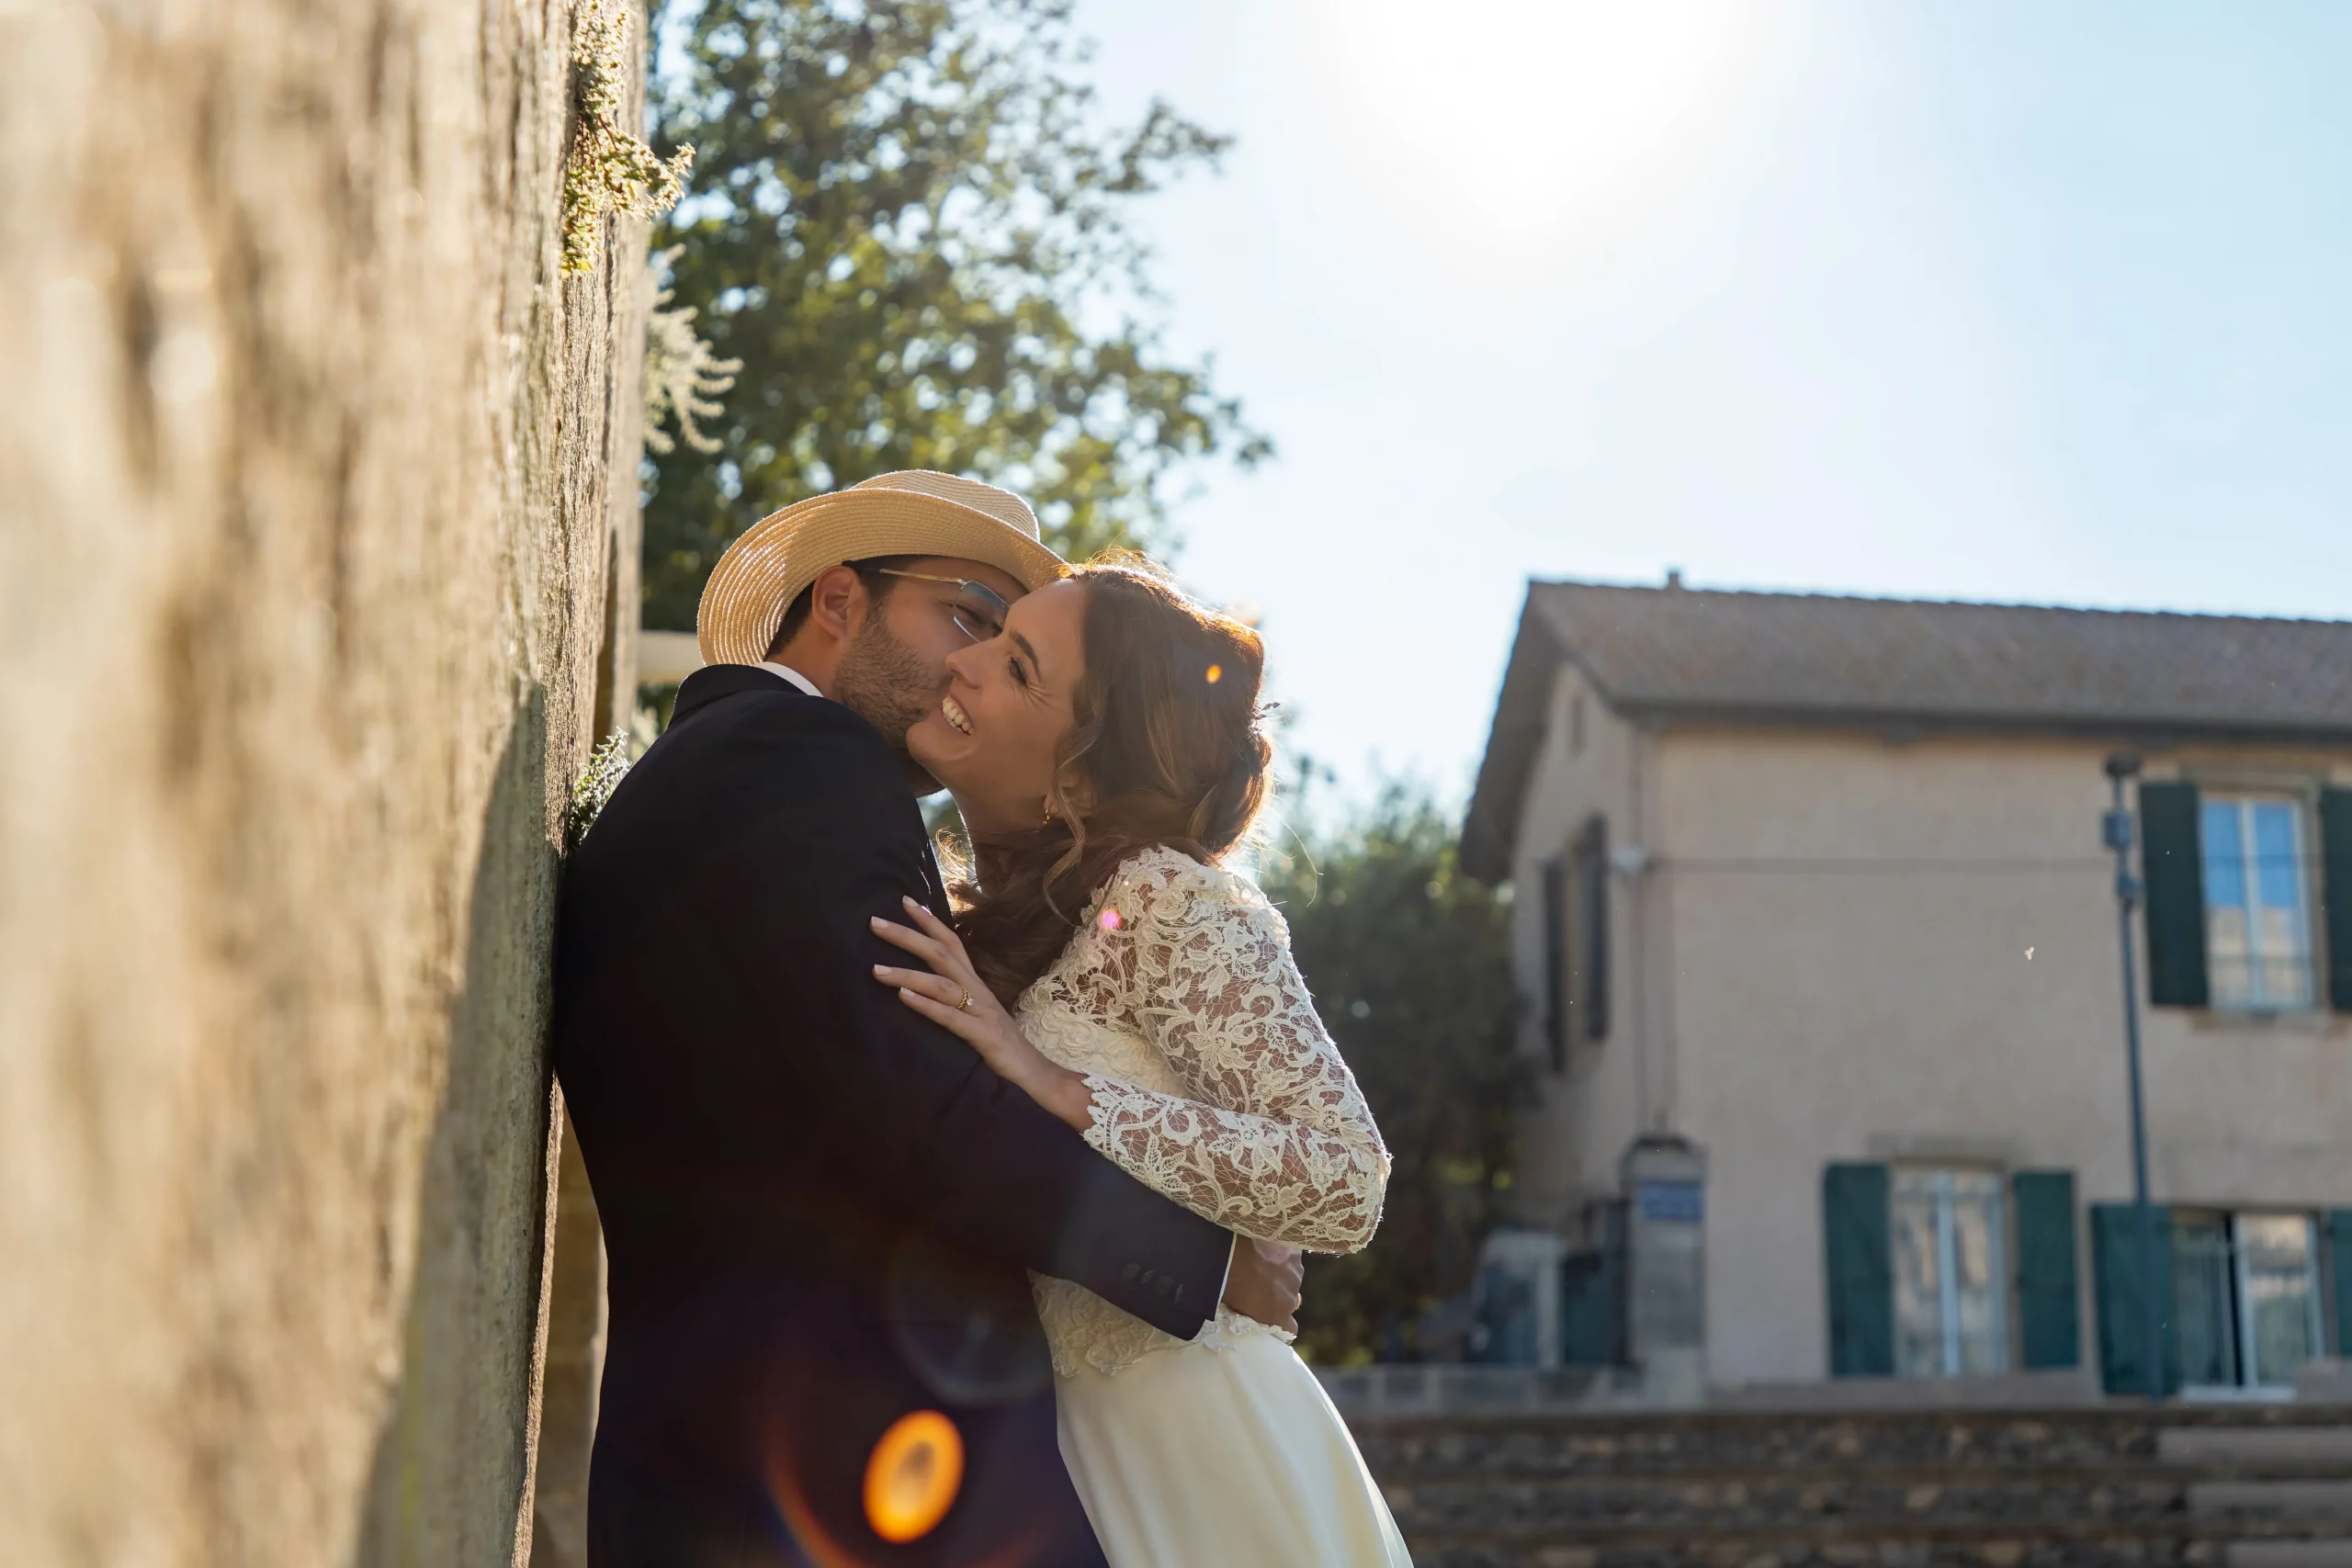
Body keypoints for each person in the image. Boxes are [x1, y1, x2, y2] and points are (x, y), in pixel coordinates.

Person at [550, 471, 1306, 1568]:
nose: (968, 666)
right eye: (963, 615)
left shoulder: (737, 771)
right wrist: (1196, 1260)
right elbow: (914, 1109)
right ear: (841, 601)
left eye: (1004, 647)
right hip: (854, 1475)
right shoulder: (802, 766)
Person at [866, 558, 1413, 1565]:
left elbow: (1344, 1180)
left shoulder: (1163, 898)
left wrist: (1059, 1089)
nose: (965, 663)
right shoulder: (962, 914)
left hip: (1202, 1447)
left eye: (1018, 665)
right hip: (1041, 1457)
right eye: (987, 632)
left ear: (1079, 772)